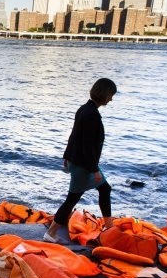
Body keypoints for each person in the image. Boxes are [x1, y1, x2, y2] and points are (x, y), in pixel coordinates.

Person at [44, 77, 117, 243]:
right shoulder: (92, 114)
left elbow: (74, 136)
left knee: (104, 189)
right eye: (111, 95)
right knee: (73, 198)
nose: (111, 99)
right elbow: (86, 145)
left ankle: (109, 228)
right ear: (105, 94)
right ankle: (51, 233)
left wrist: (66, 156)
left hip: (78, 161)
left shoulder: (84, 109)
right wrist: (94, 169)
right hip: (83, 165)